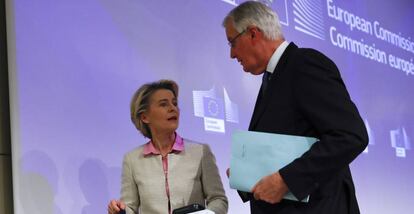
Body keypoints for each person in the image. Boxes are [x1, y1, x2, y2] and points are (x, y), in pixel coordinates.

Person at [222, 1, 368, 214]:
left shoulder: (304, 64)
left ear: (253, 33)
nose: (232, 55)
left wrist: (286, 180)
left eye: (232, 43)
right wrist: (248, 174)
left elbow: (350, 135)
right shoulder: (273, 78)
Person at [107, 80, 228, 214]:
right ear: (145, 117)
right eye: (163, 104)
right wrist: (119, 210)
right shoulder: (132, 159)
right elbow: (130, 207)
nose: (173, 108)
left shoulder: (201, 152)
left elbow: (218, 199)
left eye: (174, 103)